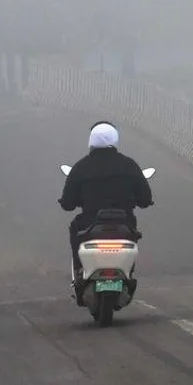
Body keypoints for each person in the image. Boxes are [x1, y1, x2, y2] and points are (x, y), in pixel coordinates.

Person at [59, 122, 153, 291]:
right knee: (133, 236)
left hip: (89, 225)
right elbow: (145, 199)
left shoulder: (81, 167)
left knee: (74, 228)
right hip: (125, 225)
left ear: (91, 141)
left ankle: (80, 271)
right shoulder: (129, 165)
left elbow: (67, 204)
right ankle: (127, 272)